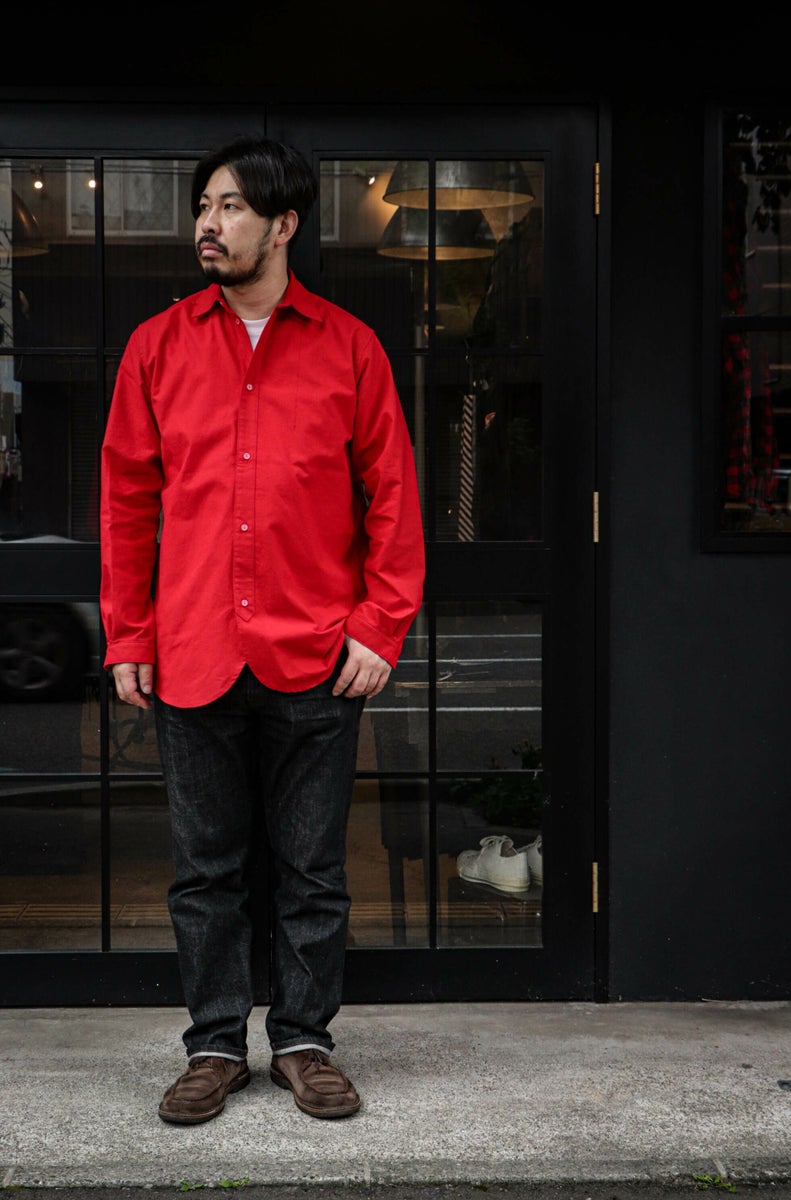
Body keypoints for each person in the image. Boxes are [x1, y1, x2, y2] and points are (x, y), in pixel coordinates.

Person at [99, 136, 425, 1125]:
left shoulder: (349, 347)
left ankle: (303, 1041)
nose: (208, 223)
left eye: (231, 207)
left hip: (315, 654)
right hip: (194, 649)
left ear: (284, 224)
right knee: (205, 872)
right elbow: (126, 501)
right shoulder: (157, 346)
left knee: (311, 871)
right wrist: (129, 635)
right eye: (203, 206)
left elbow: (393, 496)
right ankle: (213, 1047)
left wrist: (379, 625)